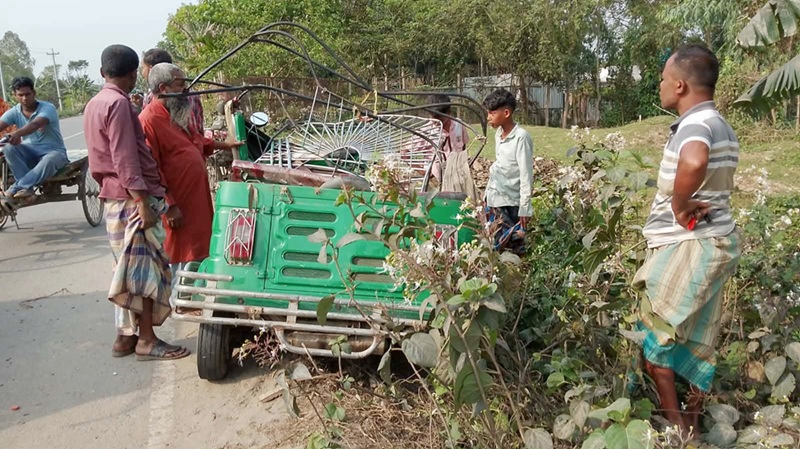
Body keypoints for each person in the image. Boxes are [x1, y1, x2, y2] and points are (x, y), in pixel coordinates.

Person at [633, 44, 741, 437]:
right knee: (698, 338)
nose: (659, 85)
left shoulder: (696, 125)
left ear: (679, 85)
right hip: (715, 242)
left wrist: (679, 205)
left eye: (663, 79)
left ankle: (679, 431)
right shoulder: (721, 125)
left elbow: (694, 161)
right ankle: (692, 422)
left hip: (688, 244)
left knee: (657, 334)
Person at [83, 44, 189, 361]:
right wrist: (142, 201)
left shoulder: (94, 103)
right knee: (145, 272)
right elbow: (125, 158)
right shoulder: (119, 105)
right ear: (133, 74)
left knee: (126, 269)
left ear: (103, 73)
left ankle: (124, 338)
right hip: (131, 200)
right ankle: (147, 340)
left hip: (116, 198)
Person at [139, 62, 240, 288]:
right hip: (178, 205)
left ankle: (196, 295)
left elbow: (196, 141)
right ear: (163, 88)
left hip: (196, 201)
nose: (186, 89)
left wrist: (226, 144)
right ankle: (180, 300)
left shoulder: (175, 113)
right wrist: (170, 205)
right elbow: (151, 169)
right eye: (180, 84)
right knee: (181, 255)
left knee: (200, 249)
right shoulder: (149, 120)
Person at [482, 89, 533, 255]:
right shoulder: (498, 134)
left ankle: (520, 277)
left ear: (506, 113)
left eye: (492, 113)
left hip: (512, 201)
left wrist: (525, 207)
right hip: (496, 197)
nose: (488, 117)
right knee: (498, 243)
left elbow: (526, 175)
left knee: (515, 245)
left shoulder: (521, 137)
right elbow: (500, 164)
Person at [0, 77, 69, 199]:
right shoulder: (15, 111)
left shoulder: (47, 108)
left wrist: (17, 134)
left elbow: (35, 124)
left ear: (34, 93)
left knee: (50, 160)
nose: (25, 98)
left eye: (28, 94)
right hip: (29, 153)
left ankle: (16, 188)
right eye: (20, 95)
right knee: (8, 148)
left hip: (54, 152)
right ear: (15, 95)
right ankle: (27, 189)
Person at [135, 48, 205, 135]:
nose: (142, 72)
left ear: (151, 69)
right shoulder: (193, 94)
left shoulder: (152, 96)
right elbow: (200, 131)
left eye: (143, 68)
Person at [427, 94, 470, 180]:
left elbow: (463, 145)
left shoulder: (459, 125)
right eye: (432, 116)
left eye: (439, 118)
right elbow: (404, 152)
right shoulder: (427, 130)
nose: (435, 121)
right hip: (438, 179)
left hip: (458, 176)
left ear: (449, 113)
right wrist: (427, 173)